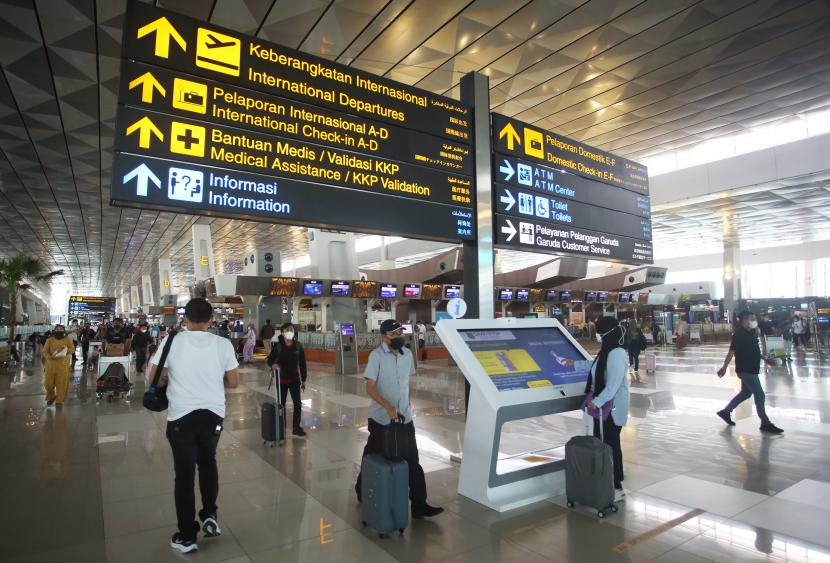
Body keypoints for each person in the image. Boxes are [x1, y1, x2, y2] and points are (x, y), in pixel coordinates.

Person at [147, 298, 239, 553]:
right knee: (208, 462)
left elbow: (152, 377)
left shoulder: (172, 341)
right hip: (213, 415)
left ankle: (187, 536)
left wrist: (172, 377)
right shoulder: (223, 344)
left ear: (184, 318)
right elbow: (233, 382)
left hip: (181, 417)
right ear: (211, 319)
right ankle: (210, 514)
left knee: (184, 475)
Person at [354, 319, 443, 519]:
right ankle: (361, 488)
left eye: (400, 333)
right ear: (384, 337)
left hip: (405, 418)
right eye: (393, 334)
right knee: (372, 456)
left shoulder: (408, 355)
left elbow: (405, 384)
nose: (398, 337)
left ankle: (419, 504)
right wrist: (388, 407)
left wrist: (406, 405)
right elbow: (370, 387)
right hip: (380, 419)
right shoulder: (376, 356)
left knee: (413, 460)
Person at [585, 316, 630, 503]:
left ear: (608, 332)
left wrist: (597, 401)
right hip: (603, 409)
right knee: (604, 444)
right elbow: (595, 367)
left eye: (599, 331)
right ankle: (606, 478)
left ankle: (616, 485)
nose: (597, 334)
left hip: (611, 408)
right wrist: (573, 364)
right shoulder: (607, 350)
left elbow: (613, 384)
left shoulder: (617, 353)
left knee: (611, 445)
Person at [716, 311, 783, 434]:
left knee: (746, 393)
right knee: (760, 395)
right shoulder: (738, 335)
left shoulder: (751, 332)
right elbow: (731, 352)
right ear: (745, 320)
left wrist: (766, 359)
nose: (755, 321)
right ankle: (765, 423)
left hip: (752, 368)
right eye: (752, 319)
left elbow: (754, 351)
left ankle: (725, 412)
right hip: (746, 370)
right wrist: (724, 367)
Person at [266, 323, 308, 437]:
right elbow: (269, 360)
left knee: (297, 404)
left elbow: (302, 364)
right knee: (281, 405)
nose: (289, 332)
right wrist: (273, 365)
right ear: (282, 332)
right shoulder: (278, 346)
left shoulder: (298, 346)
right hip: (281, 380)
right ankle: (281, 426)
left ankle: (296, 427)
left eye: (291, 330)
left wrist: (304, 380)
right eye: (287, 330)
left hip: (294, 379)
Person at [43, 324, 75, 407]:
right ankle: (51, 396)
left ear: (64, 331)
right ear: (55, 330)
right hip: (50, 366)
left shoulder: (68, 340)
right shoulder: (49, 340)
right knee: (48, 385)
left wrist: (64, 352)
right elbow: (45, 352)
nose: (59, 330)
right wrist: (49, 357)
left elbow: (72, 349)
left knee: (61, 385)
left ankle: (59, 401)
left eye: (61, 329)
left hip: (63, 366)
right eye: (57, 329)